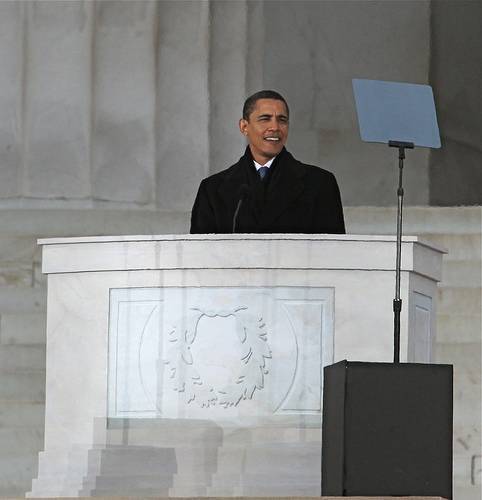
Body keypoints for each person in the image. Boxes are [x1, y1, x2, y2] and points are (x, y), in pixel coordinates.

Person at [190, 90, 345, 234]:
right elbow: (200, 256)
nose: (275, 127)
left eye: (282, 120)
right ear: (244, 126)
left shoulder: (320, 184)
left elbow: (333, 253)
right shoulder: (212, 189)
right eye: (265, 119)